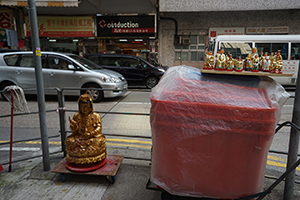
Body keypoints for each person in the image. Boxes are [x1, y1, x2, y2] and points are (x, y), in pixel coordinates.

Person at [65, 94, 107, 165]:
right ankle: (81, 152)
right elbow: (75, 132)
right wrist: (74, 126)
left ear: (90, 107)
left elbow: (99, 129)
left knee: (99, 141)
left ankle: (80, 152)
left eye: (87, 107)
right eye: (82, 107)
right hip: (79, 138)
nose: (85, 109)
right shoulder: (77, 116)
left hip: (91, 138)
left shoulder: (95, 116)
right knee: (69, 141)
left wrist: (90, 134)